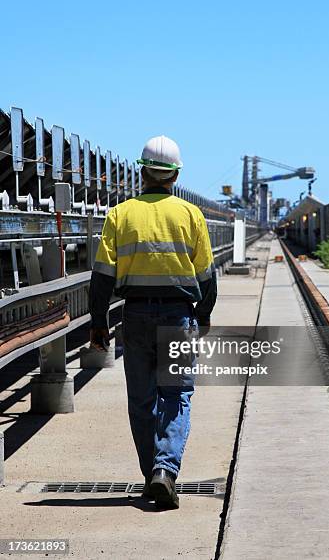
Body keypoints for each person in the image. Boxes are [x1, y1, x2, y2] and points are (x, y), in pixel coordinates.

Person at [89, 135, 217, 510]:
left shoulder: (120, 214)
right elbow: (207, 277)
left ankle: (153, 475)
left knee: (141, 400)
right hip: (179, 315)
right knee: (176, 395)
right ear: (176, 175)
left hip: (136, 315)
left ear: (142, 172)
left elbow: (101, 277)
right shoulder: (191, 215)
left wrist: (99, 322)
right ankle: (165, 471)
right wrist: (204, 315)